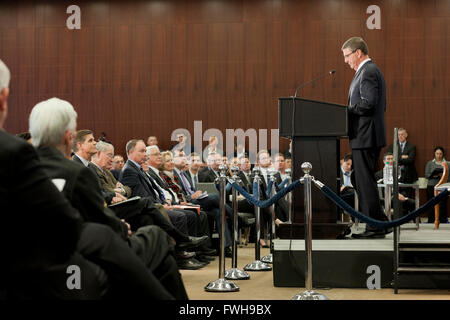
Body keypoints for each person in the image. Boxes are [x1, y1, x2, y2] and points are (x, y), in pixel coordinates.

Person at [0, 59, 107, 300]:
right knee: (127, 244)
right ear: (4, 97)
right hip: (29, 272)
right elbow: (67, 223)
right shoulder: (14, 152)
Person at [341, 36, 390, 239]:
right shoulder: (367, 71)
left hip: (366, 136)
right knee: (360, 179)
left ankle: (375, 226)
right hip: (365, 135)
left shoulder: (368, 71)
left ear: (358, 52)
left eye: (347, 56)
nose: (345, 61)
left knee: (364, 180)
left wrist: (346, 111)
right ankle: (380, 222)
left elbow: (369, 103)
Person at [425, 146, 449, 223]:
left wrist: (442, 176)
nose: (438, 155)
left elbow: (449, 176)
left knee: (442, 204)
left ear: (443, 154)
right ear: (434, 154)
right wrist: (434, 175)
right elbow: (426, 175)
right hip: (431, 186)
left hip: (443, 186)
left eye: (440, 154)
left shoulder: (448, 163)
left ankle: (442, 220)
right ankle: (431, 220)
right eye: (437, 153)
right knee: (431, 203)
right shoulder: (430, 163)